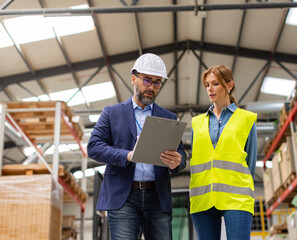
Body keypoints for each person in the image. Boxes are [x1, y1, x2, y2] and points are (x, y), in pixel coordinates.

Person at [87, 53, 187, 240]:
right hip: (124, 198)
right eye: (147, 80)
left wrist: (178, 162)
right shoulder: (112, 113)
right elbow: (94, 146)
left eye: (157, 83)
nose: (151, 87)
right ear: (134, 79)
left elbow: (180, 152)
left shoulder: (168, 118)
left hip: (157, 197)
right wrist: (127, 155)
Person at [189, 65, 257, 240]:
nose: (209, 89)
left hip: (237, 197)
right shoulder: (196, 123)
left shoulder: (246, 119)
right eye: (207, 85)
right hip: (203, 198)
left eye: (215, 84)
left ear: (229, 85)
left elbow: (250, 162)